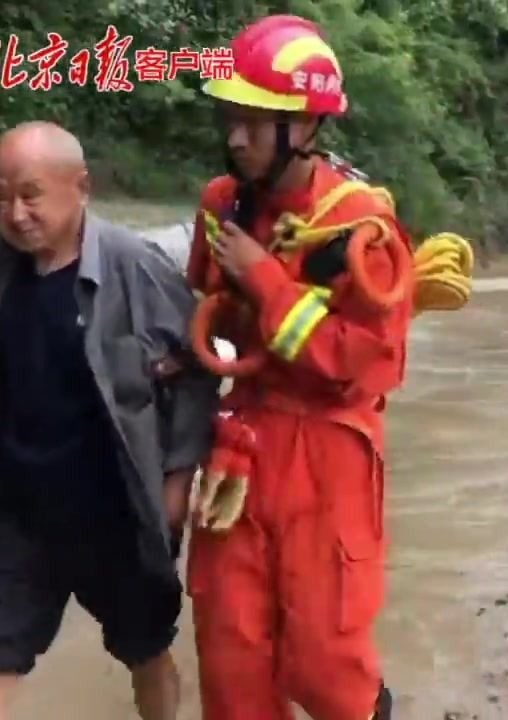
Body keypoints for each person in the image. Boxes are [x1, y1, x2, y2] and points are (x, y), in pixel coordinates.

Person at [183, 15, 413, 720]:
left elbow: (368, 367)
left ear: (306, 126)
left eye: (256, 122)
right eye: (233, 118)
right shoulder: (222, 206)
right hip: (240, 447)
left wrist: (270, 286)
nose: (236, 137)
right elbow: (206, 313)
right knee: (231, 657)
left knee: (324, 662)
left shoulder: (360, 226)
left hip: (328, 454)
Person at [0, 122, 217, 719]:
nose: (16, 214)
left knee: (144, 651)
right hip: (22, 516)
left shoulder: (136, 268)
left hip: (115, 515)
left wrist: (177, 480)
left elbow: (200, 368)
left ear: (82, 187)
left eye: (31, 194)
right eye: (2, 197)